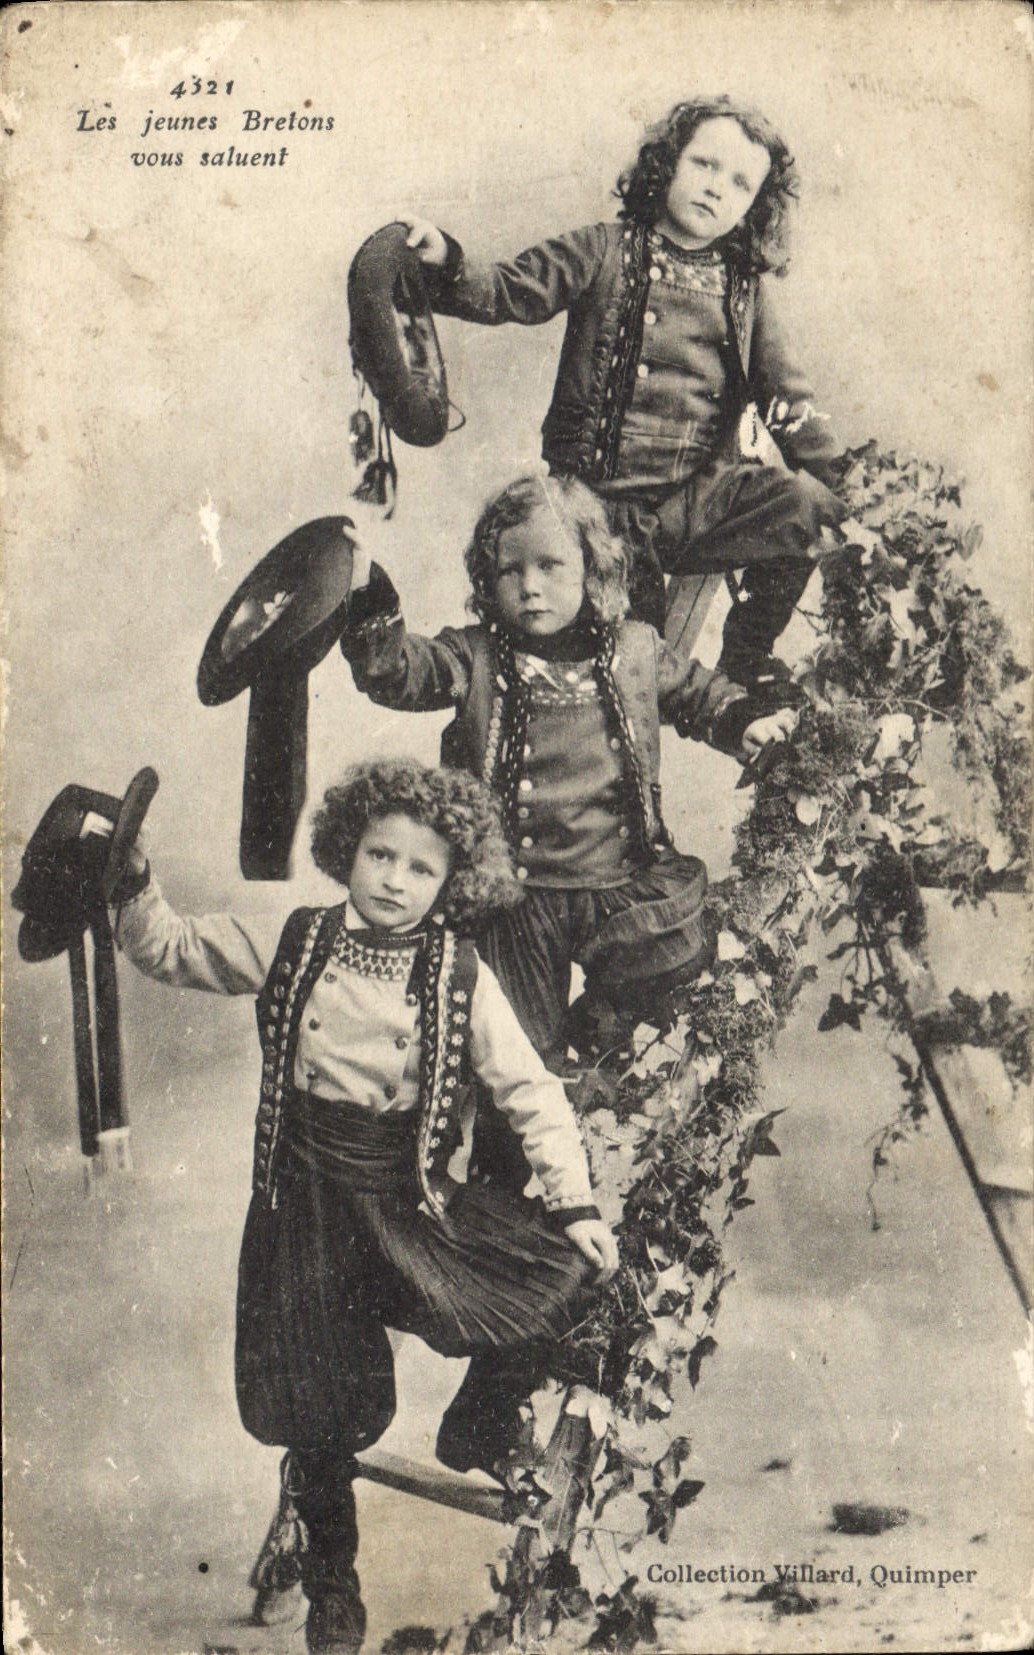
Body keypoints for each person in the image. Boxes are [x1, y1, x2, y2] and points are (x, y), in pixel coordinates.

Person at [108, 757, 618, 1655]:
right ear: (347, 851)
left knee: (568, 1274)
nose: (395, 880)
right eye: (381, 855)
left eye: (422, 868)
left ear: (454, 882)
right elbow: (176, 949)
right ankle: (332, 1582)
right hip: (303, 1208)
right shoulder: (297, 940)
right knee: (318, 1408)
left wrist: (573, 1200)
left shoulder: (459, 973)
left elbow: (531, 1091)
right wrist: (134, 882)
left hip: (405, 1198)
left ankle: (480, 1421)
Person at [340, 473, 795, 1070]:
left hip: (619, 878)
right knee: (513, 1057)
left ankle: (601, 1028)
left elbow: (693, 691)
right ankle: (503, 1153)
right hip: (517, 898)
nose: (530, 587)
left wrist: (740, 722)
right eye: (510, 571)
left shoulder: (634, 647)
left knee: (682, 951)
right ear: (487, 578)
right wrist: (372, 610)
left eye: (551, 566)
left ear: (593, 568)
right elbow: (404, 672)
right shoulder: (473, 654)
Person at [398, 94, 849, 686]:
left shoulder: (747, 292)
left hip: (696, 501)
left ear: (753, 207)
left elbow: (787, 399)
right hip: (592, 508)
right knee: (636, 667)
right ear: (667, 164)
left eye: (740, 183)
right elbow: (511, 288)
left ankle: (747, 652)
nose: (717, 188)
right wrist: (448, 260)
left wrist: (849, 485)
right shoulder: (602, 250)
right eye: (704, 165)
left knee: (814, 510)